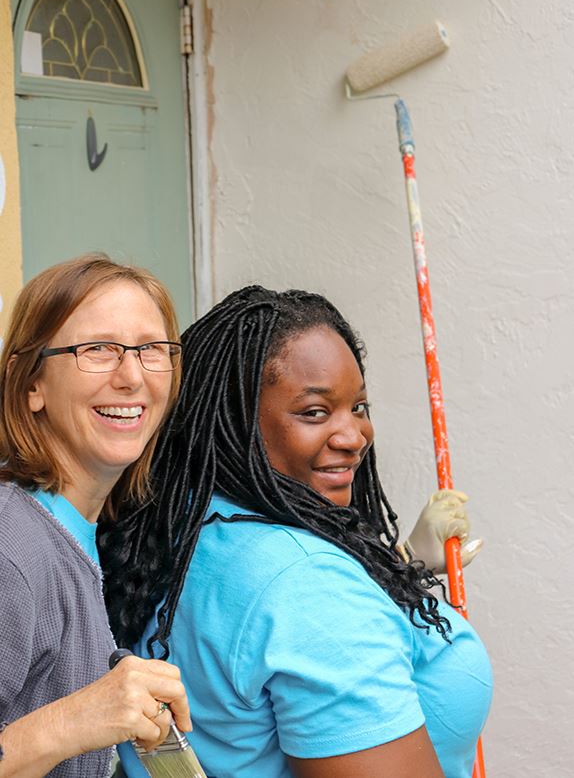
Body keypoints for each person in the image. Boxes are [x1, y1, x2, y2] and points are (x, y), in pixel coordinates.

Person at [102, 286, 492, 778]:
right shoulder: (311, 589)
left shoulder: (176, 534)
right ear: (235, 422)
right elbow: (305, 616)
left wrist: (404, 562)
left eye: (359, 407)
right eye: (314, 412)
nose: (353, 437)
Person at [0, 255, 192, 778]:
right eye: (98, 350)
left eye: (151, 349)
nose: (131, 376)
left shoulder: (80, 530)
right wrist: (74, 720)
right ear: (29, 383)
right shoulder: (10, 546)